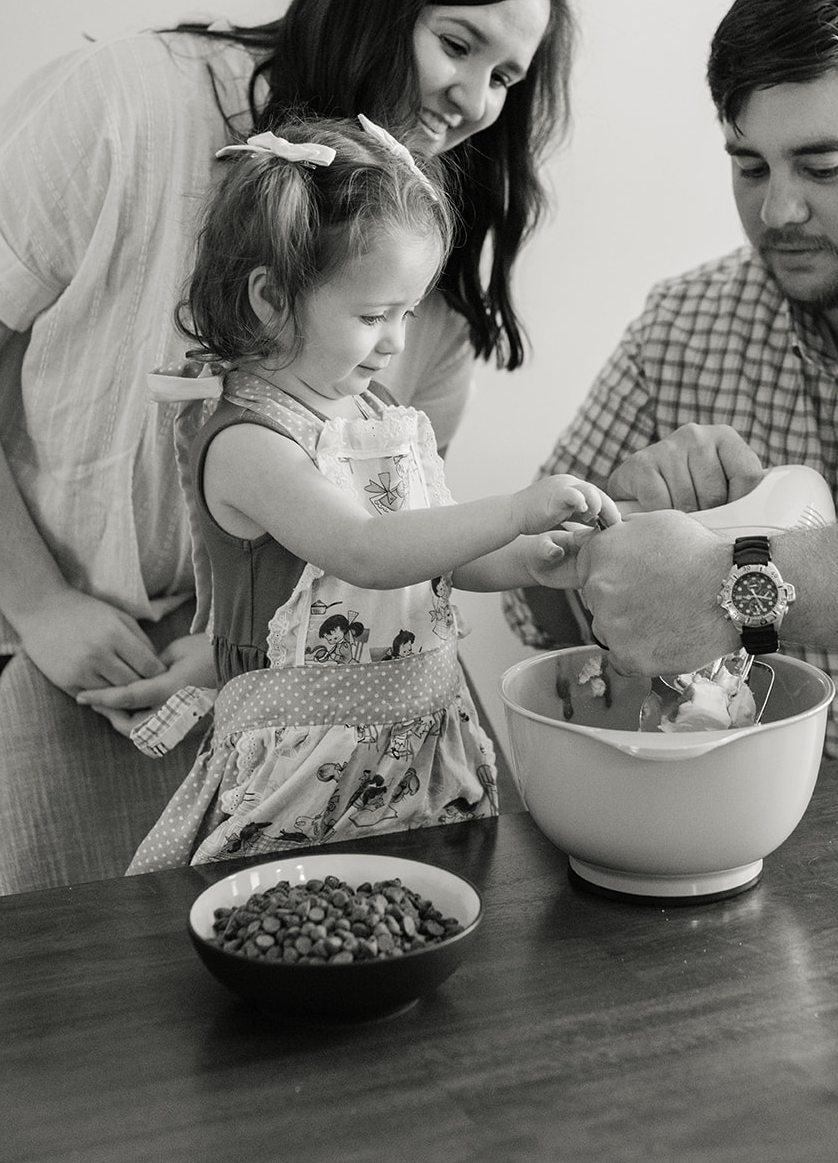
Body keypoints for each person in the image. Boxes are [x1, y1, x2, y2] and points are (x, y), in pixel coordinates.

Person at [0, 0, 573, 901]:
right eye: (456, 44)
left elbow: (374, 542)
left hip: (260, 692)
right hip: (20, 633)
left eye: (505, 78)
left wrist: (224, 648)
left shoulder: (416, 258)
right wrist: (41, 601)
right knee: (34, 1016)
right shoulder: (130, 103)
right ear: (374, 0)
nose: (472, 101)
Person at [509, 0, 838, 758]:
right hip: (747, 821)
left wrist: (728, 580)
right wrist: (607, 537)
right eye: (749, 167)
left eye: (822, 165)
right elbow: (531, 600)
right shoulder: (684, 322)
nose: (777, 211)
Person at [119, 115, 616, 872]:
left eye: (408, 312)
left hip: (424, 742)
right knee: (304, 933)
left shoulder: (380, 417)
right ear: (270, 299)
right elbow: (366, 551)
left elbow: (434, 546)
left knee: (429, 922)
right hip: (305, 770)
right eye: (372, 315)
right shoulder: (250, 444)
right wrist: (515, 507)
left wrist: (533, 557)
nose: (396, 341)